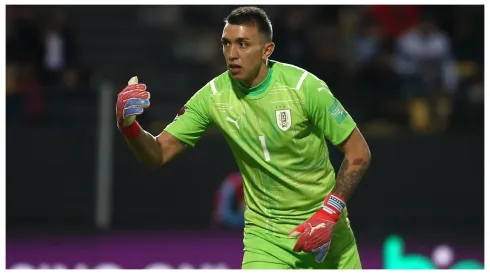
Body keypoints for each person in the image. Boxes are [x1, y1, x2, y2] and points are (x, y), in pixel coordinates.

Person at [116, 6, 371, 269]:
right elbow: (157, 154)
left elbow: (359, 153)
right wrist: (130, 128)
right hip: (267, 240)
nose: (232, 54)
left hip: (329, 233)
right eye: (226, 44)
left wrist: (329, 214)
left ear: (266, 50)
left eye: (243, 44)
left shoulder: (304, 88)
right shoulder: (214, 96)